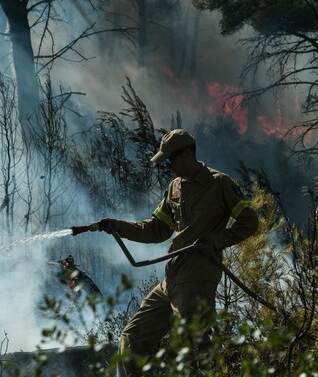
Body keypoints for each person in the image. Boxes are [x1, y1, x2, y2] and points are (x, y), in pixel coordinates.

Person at [82, 129, 259, 376]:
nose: (168, 166)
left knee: (197, 351)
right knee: (131, 339)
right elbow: (156, 229)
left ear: (187, 155)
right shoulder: (175, 187)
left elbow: (250, 222)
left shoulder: (220, 184)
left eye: (170, 160)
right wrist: (118, 226)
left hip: (197, 279)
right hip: (172, 279)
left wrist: (215, 241)